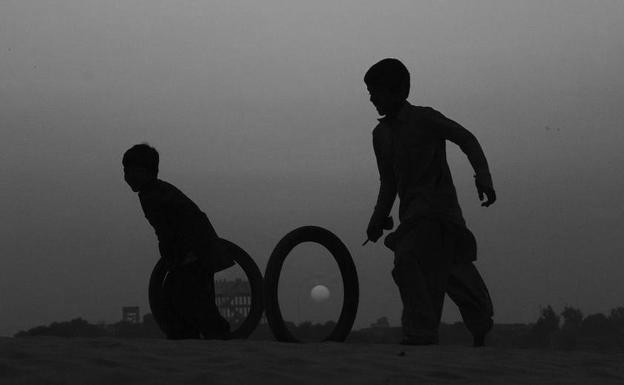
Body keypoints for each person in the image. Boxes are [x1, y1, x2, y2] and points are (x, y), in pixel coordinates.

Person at [363, 58, 496, 346]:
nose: (371, 98)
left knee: (411, 261)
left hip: (440, 215)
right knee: (447, 274)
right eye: (370, 92)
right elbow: (389, 183)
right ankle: (445, 329)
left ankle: (425, 334)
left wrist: (482, 175)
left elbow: (466, 138)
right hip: (413, 218)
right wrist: (377, 219)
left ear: (397, 91)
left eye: (377, 91)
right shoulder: (381, 136)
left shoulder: (425, 119)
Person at [122, 143, 233, 339]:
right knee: (182, 298)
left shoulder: (153, 195)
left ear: (145, 171)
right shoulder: (155, 191)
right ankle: (190, 336)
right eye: (124, 171)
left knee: (188, 298)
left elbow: (169, 228)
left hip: (194, 252)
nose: (126, 176)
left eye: (129, 170)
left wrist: (175, 254)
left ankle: (213, 336)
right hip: (192, 251)